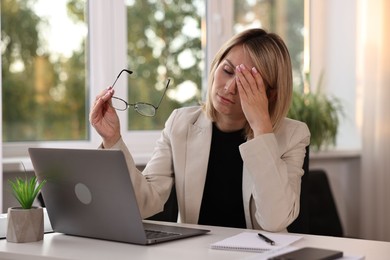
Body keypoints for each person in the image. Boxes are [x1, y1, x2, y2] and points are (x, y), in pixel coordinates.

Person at [90, 28, 310, 232]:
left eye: (246, 82)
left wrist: (262, 128)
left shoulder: (293, 135)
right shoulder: (180, 122)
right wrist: (112, 139)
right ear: (215, 66)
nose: (229, 88)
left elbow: (274, 222)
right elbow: (143, 203)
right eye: (227, 71)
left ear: (270, 95)